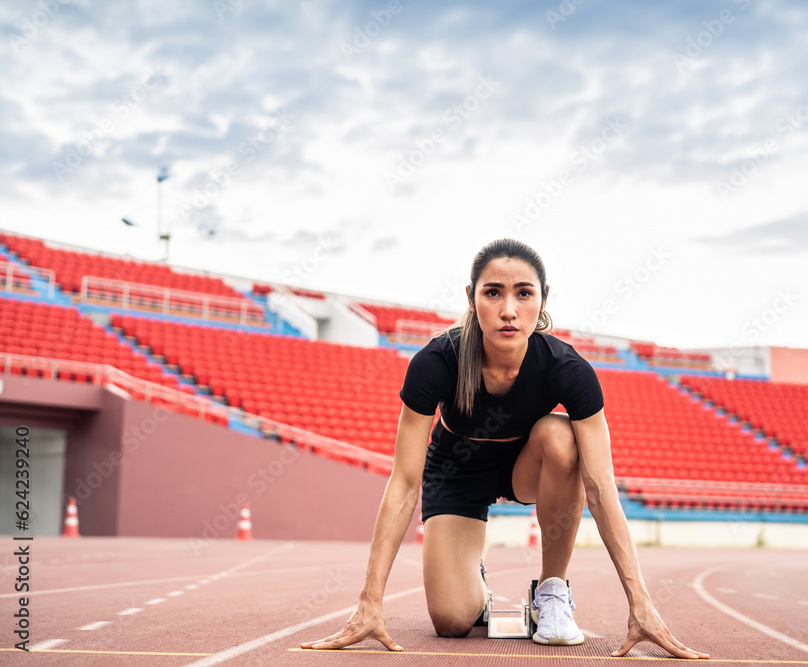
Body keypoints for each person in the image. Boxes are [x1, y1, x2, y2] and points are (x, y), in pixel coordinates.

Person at [301, 238, 709, 658]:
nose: (508, 310)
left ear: (543, 299)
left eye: (524, 293)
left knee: (561, 435)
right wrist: (369, 603)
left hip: (524, 466)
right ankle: (472, 576)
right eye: (493, 292)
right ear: (471, 298)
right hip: (456, 472)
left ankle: (551, 593)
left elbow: (601, 487)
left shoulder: (568, 369)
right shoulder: (436, 363)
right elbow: (404, 482)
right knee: (452, 621)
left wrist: (640, 602)